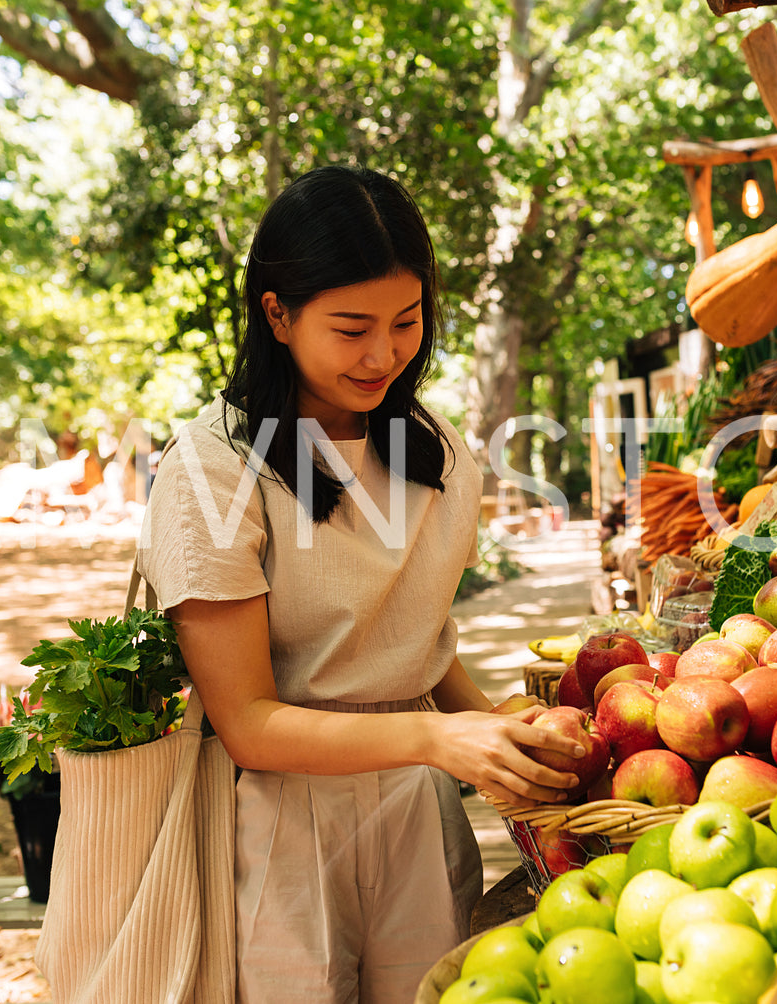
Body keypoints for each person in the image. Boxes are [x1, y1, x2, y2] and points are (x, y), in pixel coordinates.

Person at [136, 165, 584, 1003]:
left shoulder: (438, 453)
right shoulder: (212, 469)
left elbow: (412, 643)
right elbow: (251, 726)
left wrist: (496, 735)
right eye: (350, 328)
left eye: (406, 323)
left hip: (417, 814)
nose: (384, 355)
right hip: (275, 826)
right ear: (276, 312)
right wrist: (436, 741)